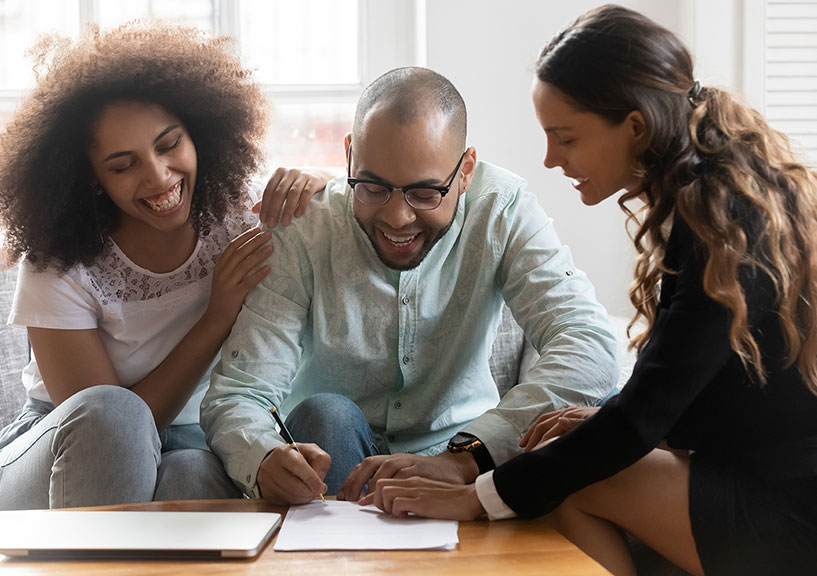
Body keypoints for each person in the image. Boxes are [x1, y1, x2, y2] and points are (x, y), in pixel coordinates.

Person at [363, 5, 817, 576]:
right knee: (559, 456)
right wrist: (605, 420)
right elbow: (700, 393)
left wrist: (478, 495)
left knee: (562, 483)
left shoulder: (720, 229)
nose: (552, 159)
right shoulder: (718, 199)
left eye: (566, 137)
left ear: (634, 126)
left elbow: (648, 413)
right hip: (758, 479)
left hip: (790, 515)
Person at [201, 66, 619, 506]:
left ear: (465, 171)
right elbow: (240, 391)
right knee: (328, 414)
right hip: (331, 453)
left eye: (424, 193)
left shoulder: (503, 210)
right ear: (348, 158)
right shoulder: (305, 227)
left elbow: (587, 341)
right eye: (374, 187)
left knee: (598, 415)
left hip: (462, 458)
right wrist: (263, 456)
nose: (397, 218)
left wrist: (469, 453)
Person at [0, 22, 327, 510]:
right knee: (116, 414)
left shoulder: (239, 216)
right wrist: (217, 316)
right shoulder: (58, 261)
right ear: (91, 177)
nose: (158, 177)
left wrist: (314, 179)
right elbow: (118, 427)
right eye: (123, 164)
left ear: (200, 132)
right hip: (68, 444)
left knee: (193, 471)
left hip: (195, 439)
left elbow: (350, 201)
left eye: (169, 144)